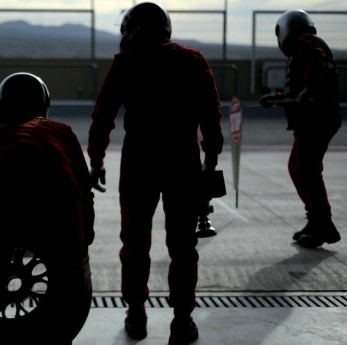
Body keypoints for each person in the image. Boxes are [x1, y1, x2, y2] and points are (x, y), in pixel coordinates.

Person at [87, 2, 223, 345]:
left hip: (139, 163)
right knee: (182, 245)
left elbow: (103, 116)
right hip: (184, 163)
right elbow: (211, 117)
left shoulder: (125, 63)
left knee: (134, 243)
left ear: (130, 30)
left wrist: (96, 161)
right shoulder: (193, 60)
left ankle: (136, 312)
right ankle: (182, 320)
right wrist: (210, 163)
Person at [0, 72, 94, 345]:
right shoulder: (62, 132)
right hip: (59, 212)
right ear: (45, 105)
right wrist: (85, 235)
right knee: (68, 288)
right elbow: (84, 189)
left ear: (0, 106)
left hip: (1, 210)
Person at [259, 9, 342, 249]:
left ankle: (323, 224)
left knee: (307, 172)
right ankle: (316, 219)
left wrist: (308, 90)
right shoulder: (301, 49)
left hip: (317, 120)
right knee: (298, 169)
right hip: (312, 120)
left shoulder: (308, 43)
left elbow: (315, 68)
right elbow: (302, 86)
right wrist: (278, 98)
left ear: (287, 29)